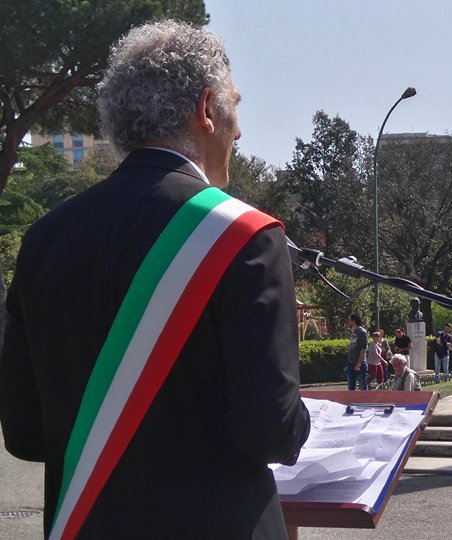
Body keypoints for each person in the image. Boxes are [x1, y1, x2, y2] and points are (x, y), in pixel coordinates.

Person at [0, 20, 310, 539]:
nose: (240, 131)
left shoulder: (44, 240)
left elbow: (26, 433)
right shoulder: (243, 236)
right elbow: (270, 431)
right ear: (206, 109)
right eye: (235, 106)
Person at [347, 314, 369, 390]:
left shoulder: (362, 332)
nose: (348, 322)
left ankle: (365, 398)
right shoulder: (353, 332)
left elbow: (363, 348)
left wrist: (359, 363)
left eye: (349, 320)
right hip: (351, 362)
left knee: (362, 386)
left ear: (353, 321)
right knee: (351, 386)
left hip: (360, 364)